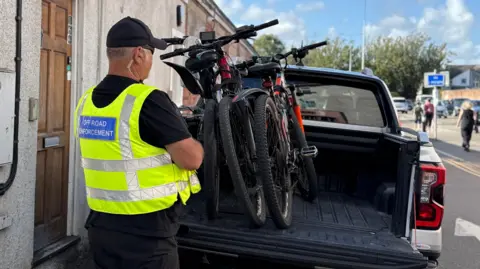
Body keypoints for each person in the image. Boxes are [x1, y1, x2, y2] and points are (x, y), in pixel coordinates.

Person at [73, 17, 204, 269]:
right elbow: (191, 160)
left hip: (102, 229)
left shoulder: (86, 101)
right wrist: (198, 144)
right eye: (152, 53)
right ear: (139, 54)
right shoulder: (148, 100)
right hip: (147, 237)